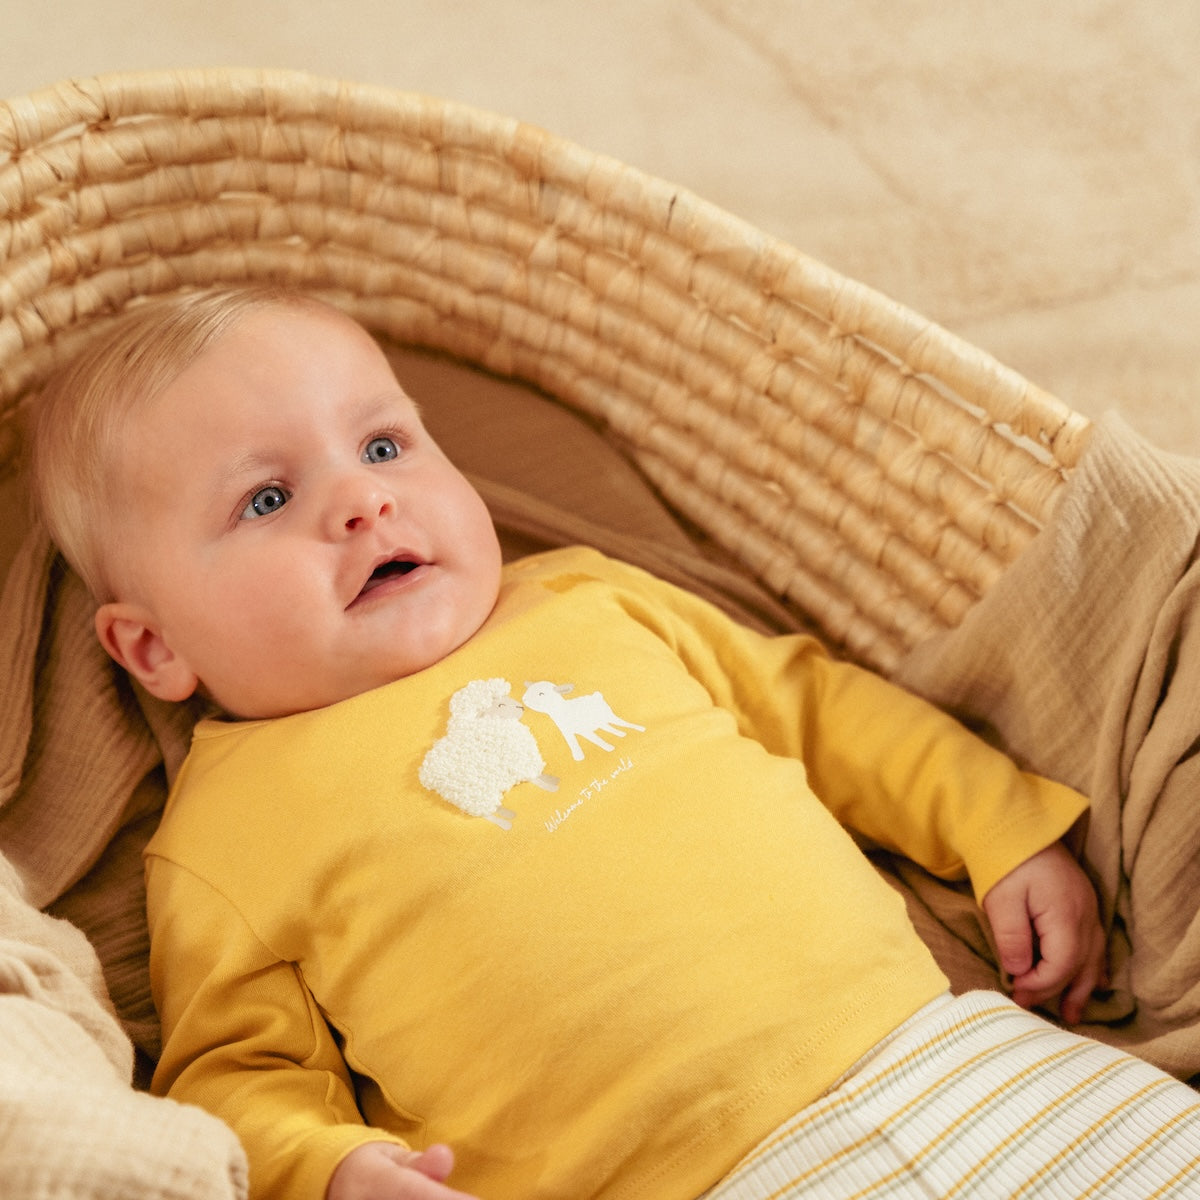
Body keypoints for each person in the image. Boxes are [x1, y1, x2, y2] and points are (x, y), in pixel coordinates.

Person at [30, 286, 1199, 1200]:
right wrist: (320, 1163)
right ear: (152, 652)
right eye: (267, 501)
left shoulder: (593, 601)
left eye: (384, 447)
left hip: (968, 1069)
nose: (363, 503)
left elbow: (822, 713)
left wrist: (998, 831)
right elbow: (233, 1072)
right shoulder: (223, 837)